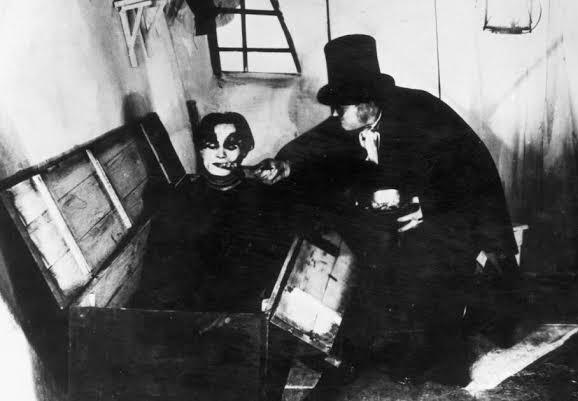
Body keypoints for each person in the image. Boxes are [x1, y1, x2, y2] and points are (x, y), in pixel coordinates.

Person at [254, 34, 518, 386]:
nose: (334, 115)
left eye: (340, 107)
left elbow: (471, 170)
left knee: (438, 275)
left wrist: (427, 206)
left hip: (460, 211)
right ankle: (371, 347)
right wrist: (283, 165)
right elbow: (314, 142)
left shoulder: (422, 112)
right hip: (412, 214)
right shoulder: (355, 119)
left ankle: (445, 357)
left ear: (367, 103)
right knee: (371, 253)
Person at [130, 112, 291, 312]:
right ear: (200, 150)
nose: (220, 154)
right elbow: (163, 271)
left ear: (244, 150)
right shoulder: (180, 197)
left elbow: (267, 270)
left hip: (241, 309)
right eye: (211, 145)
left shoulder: (262, 199)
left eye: (231, 145)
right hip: (190, 310)